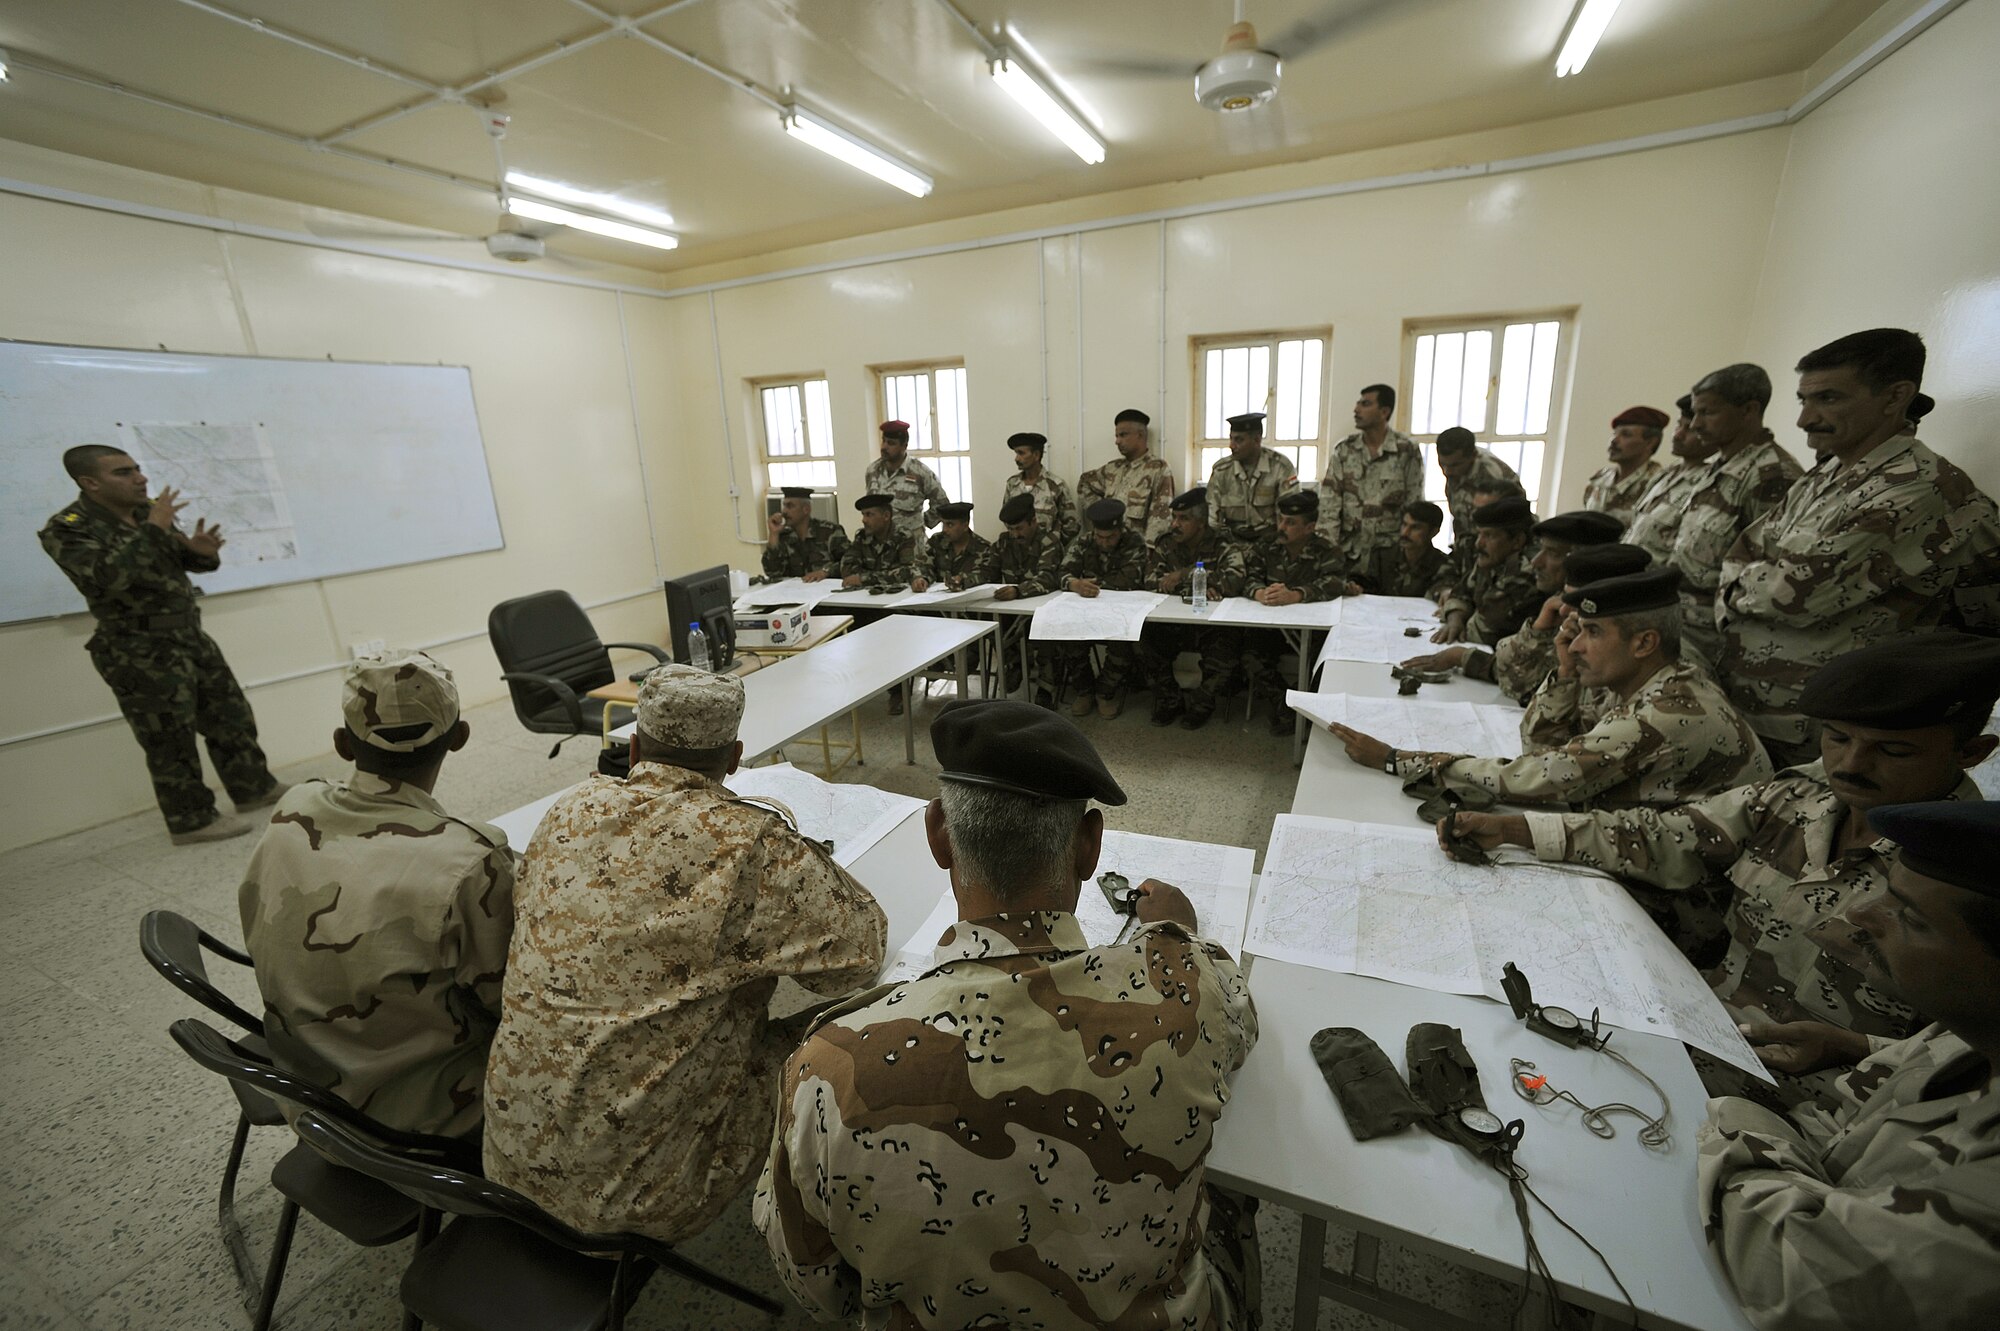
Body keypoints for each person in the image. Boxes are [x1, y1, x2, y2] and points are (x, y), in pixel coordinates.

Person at [754, 700, 1260, 1330]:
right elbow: (1239, 1018)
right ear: (1089, 847)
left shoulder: (826, 1069)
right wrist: (1173, 935)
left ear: (938, 833)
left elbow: (816, 1289)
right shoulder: (1191, 989)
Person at [1440, 632, 2000, 1110]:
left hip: (1829, 1105)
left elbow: (1975, 1051)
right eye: (1838, 738)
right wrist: (1515, 830)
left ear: (1973, 751)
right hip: (1698, 1029)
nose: (1851, 765)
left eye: (1893, 752)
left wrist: (1854, 1048)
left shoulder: (1965, 876)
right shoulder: (1798, 797)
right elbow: (1664, 835)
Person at [484, 664, 887, 1246]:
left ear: (634, 746)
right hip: (642, 1203)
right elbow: (861, 953)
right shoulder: (750, 844)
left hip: (507, 1164)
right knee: (850, 1025)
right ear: (734, 758)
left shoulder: (567, 811)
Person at [1697, 797, 2000, 1331]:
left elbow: (1791, 1268)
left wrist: (1734, 1119)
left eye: (1908, 917)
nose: (1859, 915)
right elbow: (1840, 1126)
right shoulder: (1963, 1039)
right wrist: (1848, 1045)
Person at [238, 649, 512, 1138]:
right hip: (423, 1124)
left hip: (307, 1099)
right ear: (460, 738)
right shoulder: (470, 859)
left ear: (343, 744)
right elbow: (513, 1003)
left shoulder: (290, 812)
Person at [1717, 328, 2000, 768]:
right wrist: (1759, 574)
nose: (1804, 420)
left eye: (1828, 398)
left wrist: (1747, 581)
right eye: (1803, 400)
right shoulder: (1827, 475)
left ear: (1894, 398)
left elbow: (1796, 594)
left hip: (1831, 730)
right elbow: (1742, 549)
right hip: (1760, 710)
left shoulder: (1917, 487)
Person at [1330, 568, 1770, 812]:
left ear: (1644, 643)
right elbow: (1542, 753)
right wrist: (1563, 672)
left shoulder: (1666, 713)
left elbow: (1533, 779)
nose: (1575, 645)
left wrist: (1394, 759)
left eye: (1592, 633)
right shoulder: (1652, 681)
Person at [39, 444, 285, 844]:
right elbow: (107, 577)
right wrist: (154, 527)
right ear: (90, 483)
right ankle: (191, 820)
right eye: (123, 472)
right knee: (169, 737)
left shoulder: (146, 512)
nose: (140, 478)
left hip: (189, 635)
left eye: (137, 468)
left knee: (231, 716)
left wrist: (202, 555)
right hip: (136, 647)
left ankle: (253, 788)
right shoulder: (67, 528)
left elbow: (177, 560)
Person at [1400, 509, 1625, 701]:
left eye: (1552, 553)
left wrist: (1462, 656)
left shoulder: (1605, 619)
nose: (1537, 562)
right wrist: (1539, 627)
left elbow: (1520, 681)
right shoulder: (1558, 603)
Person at [1672, 364, 1805, 668]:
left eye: (1707, 413)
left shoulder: (1772, 476)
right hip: (1685, 625)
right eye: (1694, 414)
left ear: (1749, 410)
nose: (1694, 425)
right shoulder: (1719, 468)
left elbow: (1766, 573)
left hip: (1719, 641)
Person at [1242, 489, 1352, 733]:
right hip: (1271, 627)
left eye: (1290, 522)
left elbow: (1335, 582)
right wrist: (1260, 593)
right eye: (1280, 519)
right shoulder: (1267, 545)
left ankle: (1305, 709)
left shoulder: (1327, 550)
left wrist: (1297, 594)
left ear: (1310, 527)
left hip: (1313, 631)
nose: (1282, 526)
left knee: (1323, 662)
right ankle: (1285, 705)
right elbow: (1248, 576)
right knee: (1250, 653)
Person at [1141, 487, 1249, 731]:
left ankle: (1202, 704)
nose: (1175, 524)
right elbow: (1150, 582)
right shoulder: (1166, 544)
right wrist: (1197, 587)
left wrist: (1184, 574)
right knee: (1144, 641)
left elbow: (1235, 580)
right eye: (1174, 518)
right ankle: (1171, 700)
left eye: (1184, 519)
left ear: (1201, 522)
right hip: (1173, 623)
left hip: (1212, 627)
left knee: (1226, 652)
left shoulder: (1223, 543)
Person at [1321, 384, 1426, 588]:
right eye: (1358, 403)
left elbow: (1414, 504)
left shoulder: (1406, 450)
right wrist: (1328, 554)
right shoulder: (1345, 450)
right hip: (1349, 555)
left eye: (1365, 404)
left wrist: (1409, 553)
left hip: (1390, 556)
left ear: (1384, 412)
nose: (1356, 409)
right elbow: (1329, 506)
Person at [1057, 498, 1151, 718]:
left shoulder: (1135, 542)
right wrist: (1074, 584)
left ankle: (1105, 692)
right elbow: (1061, 572)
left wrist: (1091, 582)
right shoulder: (1084, 542)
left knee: (1123, 644)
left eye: (1111, 537)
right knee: (1067, 637)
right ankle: (1084, 691)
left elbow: (1128, 580)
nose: (1105, 542)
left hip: (1122, 613)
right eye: (1100, 537)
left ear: (1120, 529)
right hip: (1086, 611)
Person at [839, 494, 928, 714]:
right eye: (863, 515)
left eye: (869, 514)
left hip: (896, 606)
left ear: (886, 516)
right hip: (866, 603)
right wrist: (874, 576)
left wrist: (866, 577)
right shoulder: (862, 537)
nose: (864, 520)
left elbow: (906, 571)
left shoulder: (903, 536)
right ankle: (856, 685)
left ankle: (898, 691)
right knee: (846, 624)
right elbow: (847, 568)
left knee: (892, 634)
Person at [1430, 496, 1541, 645]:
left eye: (1489, 535)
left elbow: (1482, 632)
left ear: (1517, 541)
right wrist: (1455, 617)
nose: (1478, 543)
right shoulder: (1494, 556)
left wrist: (1457, 619)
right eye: (1479, 534)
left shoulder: (1526, 570)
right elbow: (1460, 593)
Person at [990, 493, 1065, 706]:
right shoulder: (1004, 543)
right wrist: (965, 582)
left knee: (1044, 627)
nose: (1014, 534)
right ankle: (1014, 664)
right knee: (990, 622)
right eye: (1010, 529)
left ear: (1034, 521)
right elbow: (988, 572)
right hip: (1014, 610)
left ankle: (1046, 687)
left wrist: (1018, 590)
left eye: (1019, 528)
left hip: (1044, 609)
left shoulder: (1049, 541)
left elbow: (1048, 577)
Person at [1625, 393, 1715, 566]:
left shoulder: (1708, 483)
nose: (1677, 435)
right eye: (1678, 425)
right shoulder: (1667, 473)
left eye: (1689, 429)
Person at [1076, 407, 1176, 544]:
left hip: (1136, 551)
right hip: (1107, 546)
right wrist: (1100, 516)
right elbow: (1084, 483)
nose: (1117, 441)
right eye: (1117, 436)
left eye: (1123, 435)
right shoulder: (1112, 469)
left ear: (1140, 435)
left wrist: (1149, 550)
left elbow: (1160, 518)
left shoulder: (1157, 469)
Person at [1206, 410, 1298, 543]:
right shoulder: (1221, 471)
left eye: (1239, 440)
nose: (1232, 446)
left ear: (1257, 440)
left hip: (1270, 541)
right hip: (1232, 541)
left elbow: (1290, 516)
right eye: (1231, 438)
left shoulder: (1280, 467)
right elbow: (1213, 519)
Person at [1435, 425, 1524, 561]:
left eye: (1454, 465)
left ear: (1473, 456)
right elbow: (1459, 516)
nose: (1447, 472)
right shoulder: (1455, 470)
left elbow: (1512, 526)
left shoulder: (1494, 475)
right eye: (1442, 464)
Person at [862, 418, 949, 540]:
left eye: (891, 443)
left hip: (912, 546)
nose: (884, 447)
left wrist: (921, 523)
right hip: (881, 546)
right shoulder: (873, 470)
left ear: (904, 446)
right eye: (884, 441)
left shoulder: (920, 472)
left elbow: (941, 504)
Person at [1580, 406, 1669, 524]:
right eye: (1614, 434)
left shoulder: (1660, 485)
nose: (1614, 440)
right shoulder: (1599, 479)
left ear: (1650, 443)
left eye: (1626, 434)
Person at [1000, 430, 1077, 547]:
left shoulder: (1056, 485)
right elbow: (1007, 518)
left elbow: (1072, 524)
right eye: (1016, 453)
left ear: (1036, 455)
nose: (1016, 458)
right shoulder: (1012, 484)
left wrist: (1054, 545)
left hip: (1048, 555)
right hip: (1018, 552)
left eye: (1021, 453)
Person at [761, 486, 849, 582]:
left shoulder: (829, 531)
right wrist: (773, 534)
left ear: (806, 510)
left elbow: (849, 561)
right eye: (784, 506)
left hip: (826, 590)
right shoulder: (784, 536)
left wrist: (825, 571)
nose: (784, 511)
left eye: (790, 506)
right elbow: (772, 572)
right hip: (795, 592)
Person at [1367, 500, 1449, 598]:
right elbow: (1369, 587)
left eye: (1415, 528)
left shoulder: (1443, 564)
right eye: (1404, 525)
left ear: (1434, 532)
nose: (1405, 533)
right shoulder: (1382, 557)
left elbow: (1442, 589)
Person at [920, 500, 991, 591]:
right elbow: (925, 566)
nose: (944, 529)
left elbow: (985, 575)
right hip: (937, 599)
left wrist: (963, 580)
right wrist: (923, 579)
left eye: (950, 525)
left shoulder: (983, 548)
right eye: (943, 524)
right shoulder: (936, 541)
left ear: (965, 526)